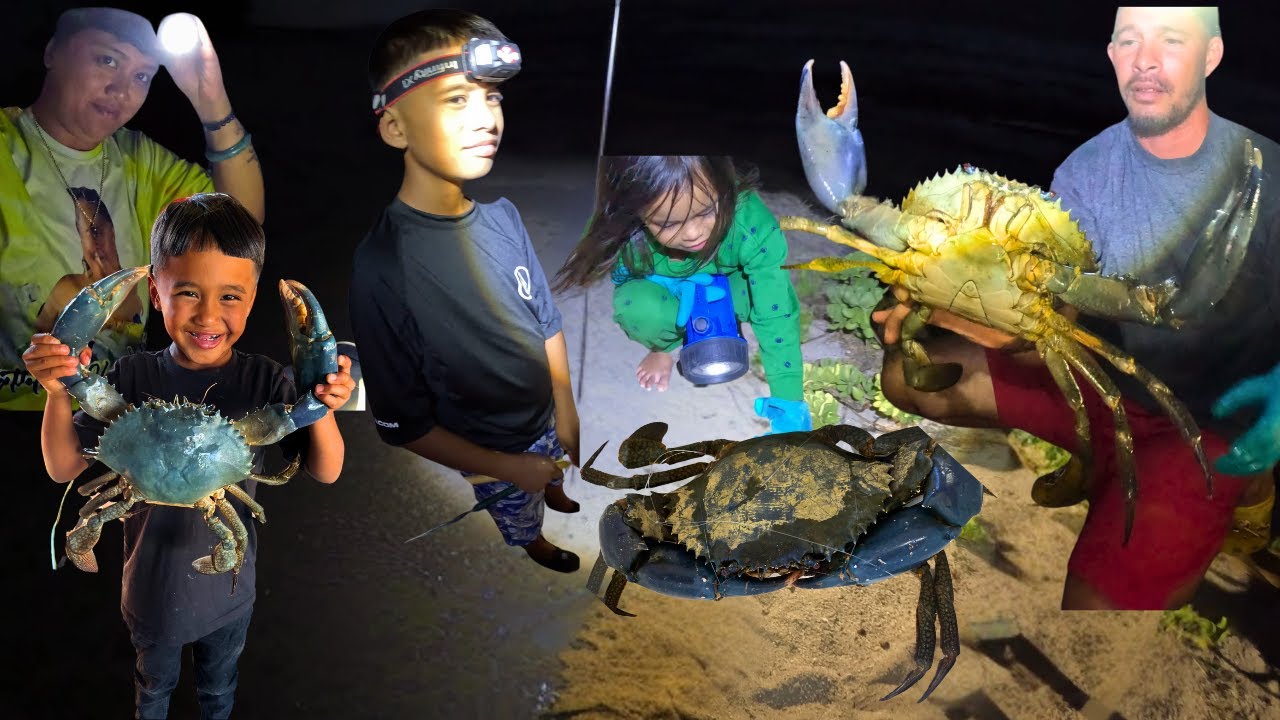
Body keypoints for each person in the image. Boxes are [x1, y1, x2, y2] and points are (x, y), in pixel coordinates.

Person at [873, 6, 1279, 609]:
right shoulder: (1086, 170)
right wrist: (956, 307)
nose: (1146, 59)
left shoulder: (1266, 173)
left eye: (1171, 40)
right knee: (909, 375)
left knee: (1097, 612)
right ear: (1112, 54)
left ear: (1212, 55)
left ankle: (1249, 495)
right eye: (1129, 40)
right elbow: (1055, 319)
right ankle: (1099, 463)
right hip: (1104, 378)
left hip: (1207, 425)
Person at [21, 193, 354, 719]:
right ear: (156, 291)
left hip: (227, 590)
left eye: (230, 296)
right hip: (151, 593)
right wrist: (60, 389)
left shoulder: (268, 381)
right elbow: (64, 469)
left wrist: (322, 403)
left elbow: (326, 470)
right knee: (153, 688)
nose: (208, 314)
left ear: (252, 299)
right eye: (188, 292)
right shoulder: (130, 377)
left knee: (217, 691)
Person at [349, 9, 582, 574]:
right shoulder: (381, 267)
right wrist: (508, 469)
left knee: (551, 467)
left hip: (543, 418)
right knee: (518, 509)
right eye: (457, 99)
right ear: (394, 126)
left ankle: (549, 487)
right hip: (488, 447)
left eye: (493, 98)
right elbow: (404, 426)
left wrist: (566, 407)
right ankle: (534, 540)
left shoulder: (504, 216)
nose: (487, 119)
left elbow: (545, 319)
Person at [2, 6, 264, 411]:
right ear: (53, 51)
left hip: (121, 414)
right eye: (107, 60)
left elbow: (240, 225)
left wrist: (210, 99)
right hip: (17, 415)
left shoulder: (142, 160)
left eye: (141, 76)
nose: (122, 89)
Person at [553, 156, 811, 435]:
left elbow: (776, 312)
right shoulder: (622, 228)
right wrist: (664, 279)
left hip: (729, 279)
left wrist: (789, 402)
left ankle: (723, 319)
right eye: (668, 224)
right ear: (634, 214)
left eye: (706, 211)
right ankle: (664, 347)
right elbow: (622, 278)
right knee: (637, 308)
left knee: (766, 295)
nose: (693, 234)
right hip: (665, 283)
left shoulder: (751, 224)